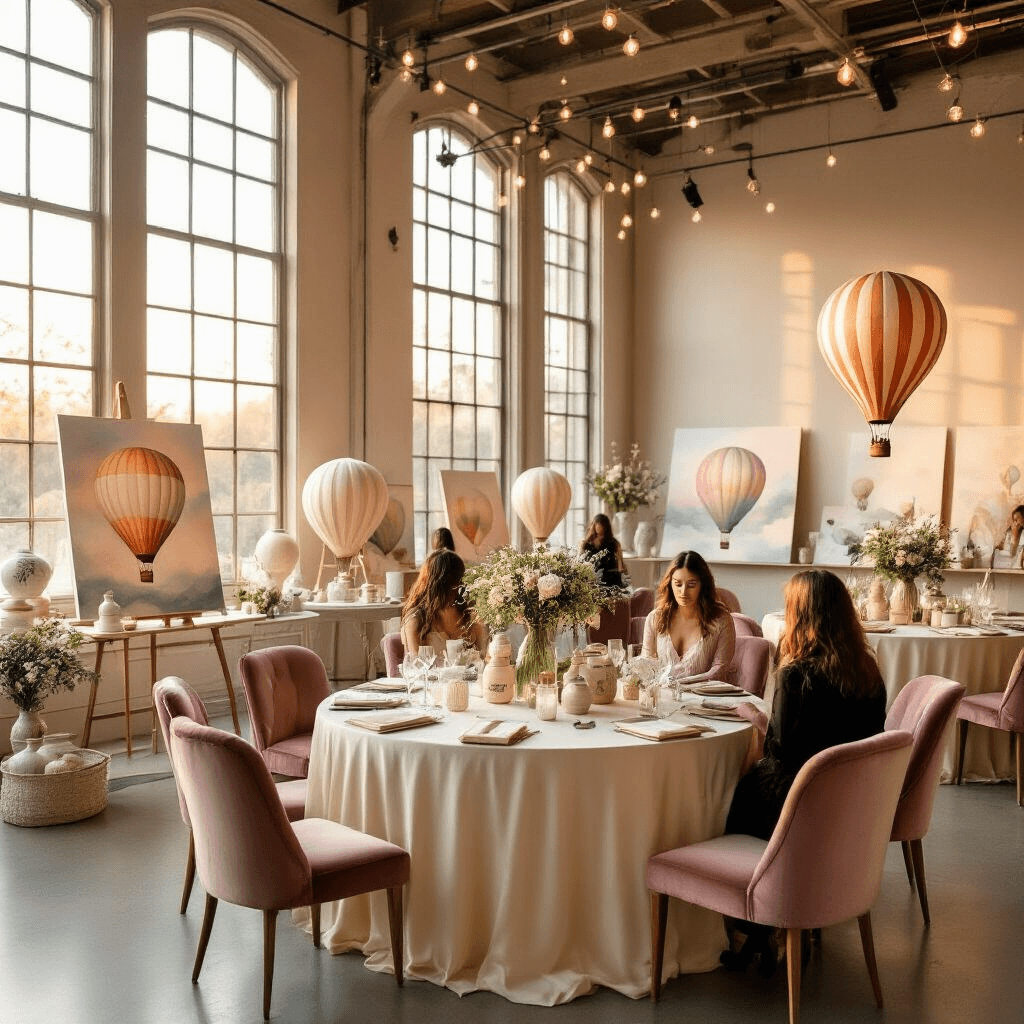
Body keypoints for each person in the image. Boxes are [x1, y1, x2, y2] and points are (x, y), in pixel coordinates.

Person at [721, 568, 887, 973]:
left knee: (728, 798)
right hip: (851, 807)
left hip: (796, 802)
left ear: (803, 615)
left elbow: (780, 752)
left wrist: (757, 720)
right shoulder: (867, 670)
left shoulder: (797, 675)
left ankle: (749, 922)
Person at [640, 551, 735, 682]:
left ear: (703, 585)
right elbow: (645, 665)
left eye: (691, 585)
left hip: (704, 699)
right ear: (670, 584)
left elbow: (719, 671)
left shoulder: (722, 620)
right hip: (664, 698)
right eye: (678, 584)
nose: (683, 592)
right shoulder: (655, 618)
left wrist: (681, 684)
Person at [401, 549, 486, 659]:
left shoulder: (470, 616)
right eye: (455, 581)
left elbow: (482, 658)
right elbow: (416, 665)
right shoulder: (416, 619)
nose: (461, 585)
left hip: (468, 676)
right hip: (427, 676)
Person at [580, 513, 626, 589]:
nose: (599, 527)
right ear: (594, 526)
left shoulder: (613, 543)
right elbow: (582, 560)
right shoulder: (588, 543)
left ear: (606, 527)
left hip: (609, 576)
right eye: (597, 525)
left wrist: (620, 571)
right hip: (592, 575)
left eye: (601, 525)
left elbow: (619, 562)